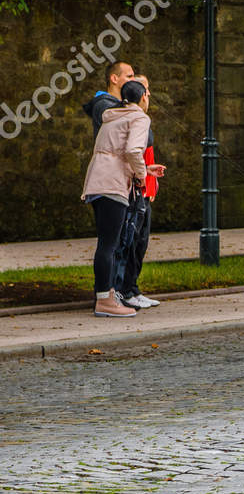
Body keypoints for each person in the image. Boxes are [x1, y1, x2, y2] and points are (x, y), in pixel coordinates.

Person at [80, 80, 151, 317]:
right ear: (142, 97)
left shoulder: (113, 117)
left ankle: (107, 294)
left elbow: (114, 151)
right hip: (113, 184)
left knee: (106, 243)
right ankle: (105, 301)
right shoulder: (140, 117)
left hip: (97, 182)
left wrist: (145, 170)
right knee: (109, 245)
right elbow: (132, 151)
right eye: (148, 93)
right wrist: (141, 176)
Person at [114, 75, 165, 310]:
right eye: (146, 88)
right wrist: (143, 178)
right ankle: (124, 291)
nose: (149, 94)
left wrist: (150, 183)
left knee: (140, 242)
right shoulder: (135, 118)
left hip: (144, 186)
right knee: (129, 242)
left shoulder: (139, 119)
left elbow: (146, 154)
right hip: (134, 187)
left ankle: (132, 289)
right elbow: (133, 153)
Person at [83, 61, 135, 137]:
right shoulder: (104, 105)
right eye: (129, 76)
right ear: (114, 79)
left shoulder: (121, 104)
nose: (134, 80)